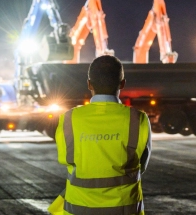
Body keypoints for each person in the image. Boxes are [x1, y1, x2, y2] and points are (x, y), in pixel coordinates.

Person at [49, 55, 151, 215]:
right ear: (122, 83)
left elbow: (66, 159)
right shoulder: (138, 119)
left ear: (89, 84)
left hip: (78, 209)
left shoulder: (69, 118)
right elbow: (142, 165)